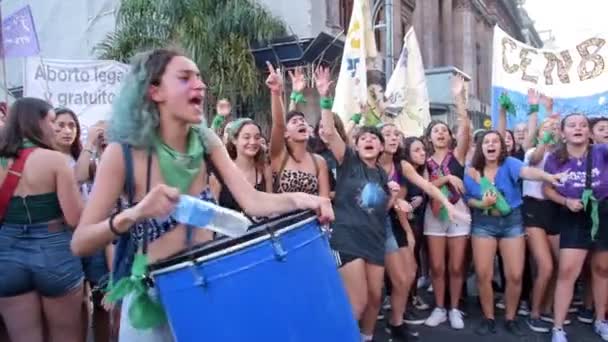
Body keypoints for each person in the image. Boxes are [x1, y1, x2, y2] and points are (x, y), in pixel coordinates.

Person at [70, 49, 333, 342]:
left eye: (199, 77)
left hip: (211, 289)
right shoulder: (123, 154)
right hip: (155, 300)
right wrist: (134, 214)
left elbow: (254, 201)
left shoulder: (205, 141)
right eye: (185, 78)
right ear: (154, 90)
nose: (200, 85)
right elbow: (81, 242)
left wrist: (306, 200)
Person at [0, 97, 84, 342]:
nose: (54, 128)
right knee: (65, 335)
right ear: (35, 123)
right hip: (53, 249)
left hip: (6, 253)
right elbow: (74, 218)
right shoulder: (55, 160)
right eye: (50, 121)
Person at [463, 129, 562, 337]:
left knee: (515, 275)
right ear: (481, 148)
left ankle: (510, 318)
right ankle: (488, 317)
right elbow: (469, 199)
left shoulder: (510, 163)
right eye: (486, 142)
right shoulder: (472, 170)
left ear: (501, 147)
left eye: (495, 141)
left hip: (512, 223)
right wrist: (483, 203)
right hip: (484, 223)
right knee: (483, 274)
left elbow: (528, 172)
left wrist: (548, 176)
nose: (491, 144)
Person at [543, 114, 608, 342]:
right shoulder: (554, 158)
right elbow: (548, 190)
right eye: (571, 125)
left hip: (602, 214)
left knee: (602, 270)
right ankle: (558, 328)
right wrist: (566, 202)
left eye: (582, 125)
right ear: (563, 133)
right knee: (567, 272)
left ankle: (601, 321)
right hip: (573, 216)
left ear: (589, 132)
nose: (578, 128)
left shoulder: (601, 151)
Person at [54, 108, 113, 342]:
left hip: (94, 235)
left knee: (102, 299)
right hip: (65, 238)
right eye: (60, 125)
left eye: (72, 125)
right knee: (77, 302)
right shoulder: (51, 159)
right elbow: (76, 177)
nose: (67, 131)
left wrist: (97, 147)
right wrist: (89, 142)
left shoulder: (85, 158)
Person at [423, 75, 472, 329]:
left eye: (444, 130)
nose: (440, 133)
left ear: (449, 136)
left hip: (458, 212)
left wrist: (458, 97)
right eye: (435, 131)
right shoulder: (423, 160)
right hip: (433, 214)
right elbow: (425, 187)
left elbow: (466, 128)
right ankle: (439, 307)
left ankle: (454, 308)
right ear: (429, 138)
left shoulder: (459, 155)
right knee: (437, 266)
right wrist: (447, 178)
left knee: (455, 266)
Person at [270, 65, 330, 197]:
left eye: (302, 120)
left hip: (310, 217)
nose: (301, 122)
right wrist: (276, 93)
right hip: (282, 217)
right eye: (295, 122)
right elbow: (279, 124)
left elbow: (324, 201)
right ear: (286, 133)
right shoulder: (278, 155)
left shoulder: (319, 162)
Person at [211, 118, 273, 212]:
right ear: (234, 140)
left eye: (257, 137)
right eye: (246, 137)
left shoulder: (264, 170)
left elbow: (271, 207)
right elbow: (212, 211)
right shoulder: (220, 172)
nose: (252, 142)